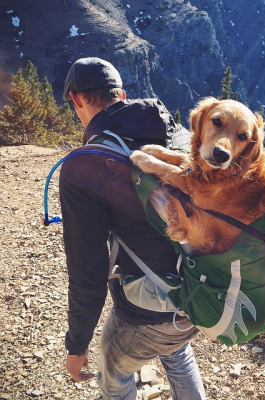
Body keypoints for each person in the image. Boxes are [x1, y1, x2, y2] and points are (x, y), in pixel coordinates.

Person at [60, 57, 206, 400]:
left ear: (78, 100)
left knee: (112, 375)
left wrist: (77, 344)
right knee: (177, 350)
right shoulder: (176, 134)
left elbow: (88, 271)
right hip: (202, 293)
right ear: (121, 94)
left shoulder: (83, 166)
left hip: (144, 312)